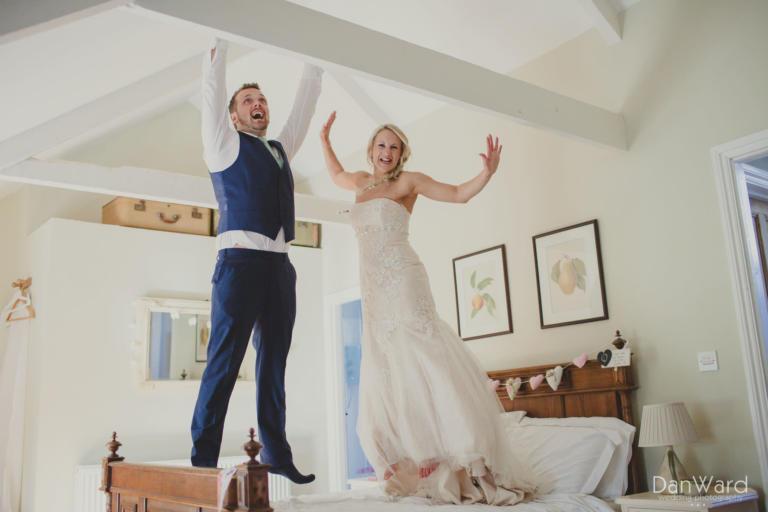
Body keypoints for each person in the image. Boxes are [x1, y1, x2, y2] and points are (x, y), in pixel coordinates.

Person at [319, 111, 537, 504]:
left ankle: (469, 459)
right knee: (389, 368)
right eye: (381, 145)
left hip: (402, 278)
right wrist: (324, 139)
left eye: (394, 147)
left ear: (401, 154)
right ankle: (415, 462)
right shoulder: (360, 182)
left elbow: (457, 193)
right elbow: (335, 174)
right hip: (372, 292)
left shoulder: (409, 182)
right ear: (371, 150)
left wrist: (487, 173)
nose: (386, 151)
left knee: (423, 357)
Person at [190, 38, 322, 485]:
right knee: (224, 363)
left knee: (274, 364)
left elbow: (302, 113)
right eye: (248, 100)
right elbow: (211, 95)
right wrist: (219, 45)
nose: (258, 104)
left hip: (280, 268)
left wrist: (315, 64)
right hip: (239, 265)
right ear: (234, 115)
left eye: (262, 99)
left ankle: (277, 453)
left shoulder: (280, 149)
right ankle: (203, 459)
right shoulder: (222, 144)